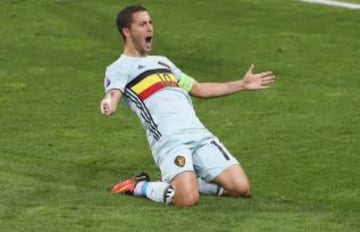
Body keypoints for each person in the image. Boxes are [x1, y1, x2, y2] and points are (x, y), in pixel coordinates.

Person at [100, 5, 275, 207]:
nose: (150, 28)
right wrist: (109, 104)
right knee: (187, 200)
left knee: (240, 187)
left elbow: (198, 88)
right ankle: (138, 186)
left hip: (199, 134)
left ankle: (185, 180)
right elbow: (114, 93)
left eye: (150, 22)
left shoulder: (163, 62)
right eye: (142, 24)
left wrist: (242, 85)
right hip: (169, 140)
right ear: (127, 31)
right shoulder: (119, 68)